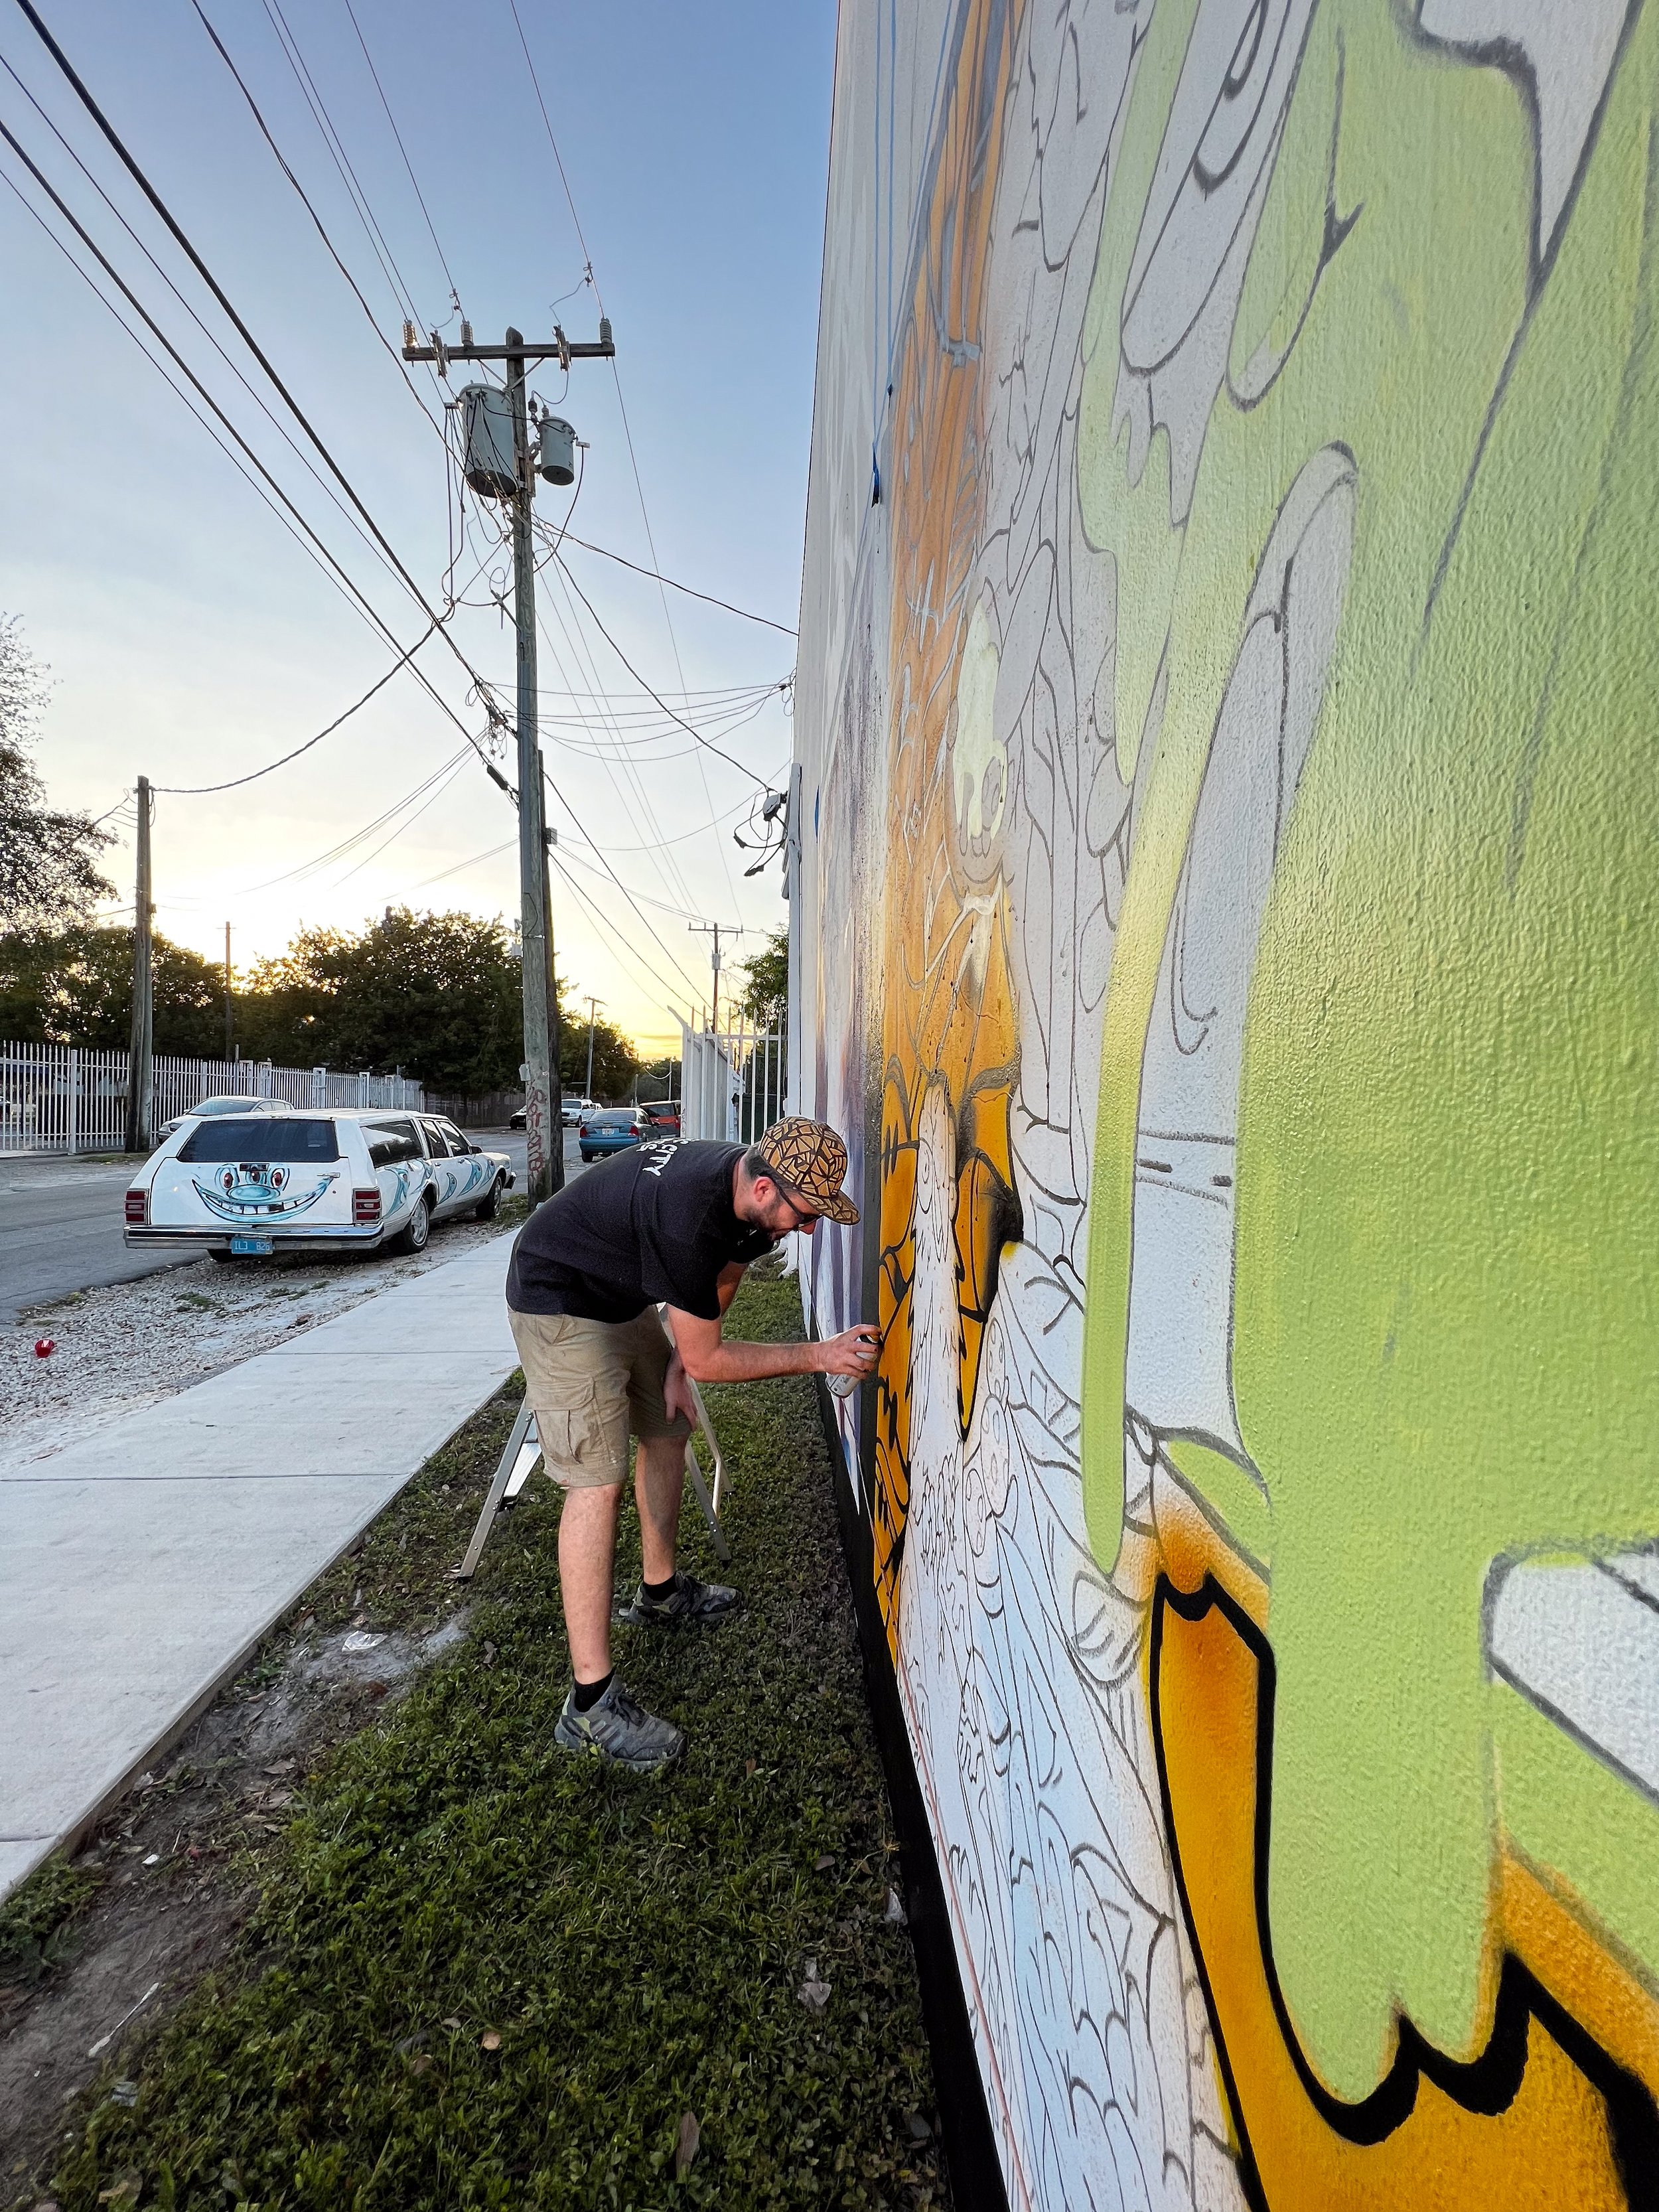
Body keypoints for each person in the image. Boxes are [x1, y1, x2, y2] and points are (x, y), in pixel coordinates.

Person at [505, 1114, 879, 1771]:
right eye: (806, 1213)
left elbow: (725, 1272)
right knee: (597, 1481)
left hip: (616, 1294)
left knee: (668, 1427)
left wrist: (682, 1354)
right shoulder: (688, 1217)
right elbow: (713, 1360)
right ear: (764, 1189)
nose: (810, 1229)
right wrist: (818, 1354)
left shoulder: (749, 1198)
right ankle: (588, 1705)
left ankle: (659, 1593)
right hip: (558, 1295)